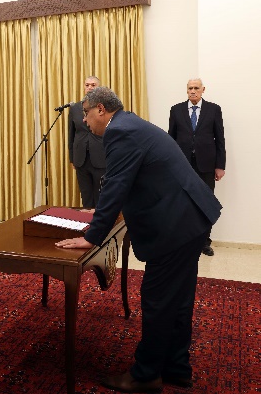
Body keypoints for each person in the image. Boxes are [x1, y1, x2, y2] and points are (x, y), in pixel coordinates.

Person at [55, 87, 221, 393]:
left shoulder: (120, 133)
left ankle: (145, 375)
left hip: (176, 225)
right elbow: (129, 180)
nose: (85, 120)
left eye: (86, 113)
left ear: (101, 110)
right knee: (178, 300)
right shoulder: (129, 124)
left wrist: (92, 237)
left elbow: (116, 185)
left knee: (158, 300)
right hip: (190, 219)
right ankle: (177, 367)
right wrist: (102, 212)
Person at [169, 78, 226, 256]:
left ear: (203, 90)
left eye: (196, 88)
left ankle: (204, 242)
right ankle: (184, 240)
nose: (193, 91)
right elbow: (171, 139)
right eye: (190, 88)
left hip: (207, 165)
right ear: (186, 90)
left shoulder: (214, 109)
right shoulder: (176, 109)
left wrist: (220, 166)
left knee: (205, 202)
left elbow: (220, 139)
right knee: (182, 203)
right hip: (182, 165)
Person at [68, 76, 105, 208]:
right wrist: (72, 158)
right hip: (81, 159)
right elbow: (71, 134)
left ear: (98, 88)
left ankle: (102, 225)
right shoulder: (75, 108)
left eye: (93, 85)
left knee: (101, 196)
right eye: (87, 85)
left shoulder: (104, 107)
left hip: (101, 157)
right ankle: (89, 226)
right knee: (86, 196)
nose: (89, 88)